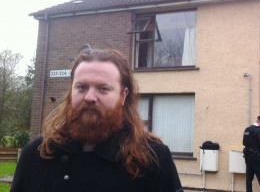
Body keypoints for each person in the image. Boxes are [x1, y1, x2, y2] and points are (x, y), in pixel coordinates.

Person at [10, 48, 183, 192]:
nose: (89, 97)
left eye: (103, 89)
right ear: (71, 91)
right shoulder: (37, 154)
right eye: (82, 87)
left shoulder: (153, 159)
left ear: (123, 96)